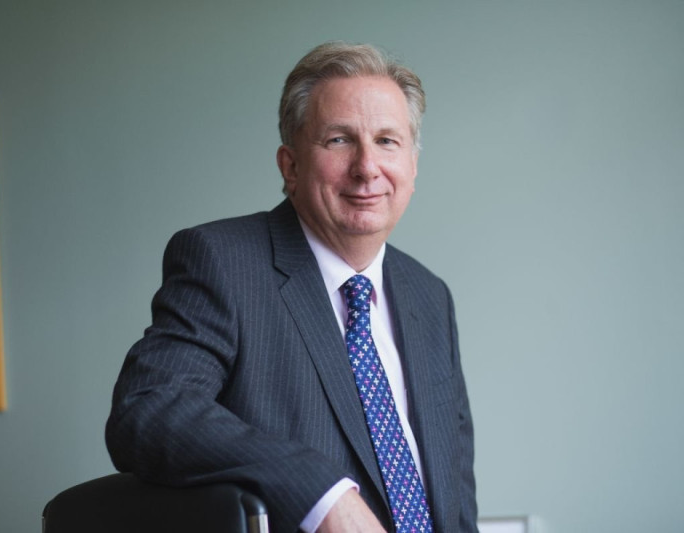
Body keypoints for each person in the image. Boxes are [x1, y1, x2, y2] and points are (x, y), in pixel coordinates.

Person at [106, 41, 477, 533]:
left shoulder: (430, 296)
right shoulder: (223, 262)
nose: (367, 167)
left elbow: (456, 496)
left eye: (388, 140)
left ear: (412, 164)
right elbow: (149, 409)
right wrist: (322, 493)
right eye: (339, 140)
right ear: (290, 166)